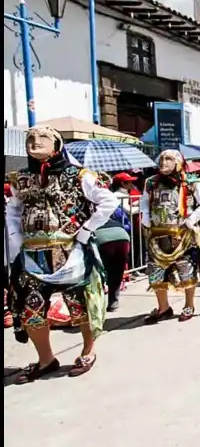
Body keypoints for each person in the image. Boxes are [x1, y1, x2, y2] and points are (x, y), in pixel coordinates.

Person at [6, 126, 118, 383]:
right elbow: (13, 210)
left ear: (56, 145)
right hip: (32, 253)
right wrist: (15, 238)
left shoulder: (79, 175)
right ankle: (46, 359)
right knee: (30, 308)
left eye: (42, 138)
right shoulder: (19, 178)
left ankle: (88, 350)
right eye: (30, 138)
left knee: (79, 304)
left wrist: (85, 230)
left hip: (69, 250)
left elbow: (108, 201)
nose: (35, 142)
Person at [141, 149, 200, 323]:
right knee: (155, 272)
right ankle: (163, 308)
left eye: (168, 159)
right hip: (157, 236)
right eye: (161, 159)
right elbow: (144, 201)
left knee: (187, 270)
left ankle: (189, 304)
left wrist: (193, 218)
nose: (163, 162)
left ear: (179, 162)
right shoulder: (151, 182)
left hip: (183, 236)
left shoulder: (192, 182)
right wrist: (145, 215)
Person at [95, 199, 133, 312]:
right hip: (123, 239)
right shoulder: (113, 221)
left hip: (104, 242)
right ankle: (113, 303)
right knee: (116, 273)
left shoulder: (90, 223)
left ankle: (98, 305)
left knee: (98, 274)